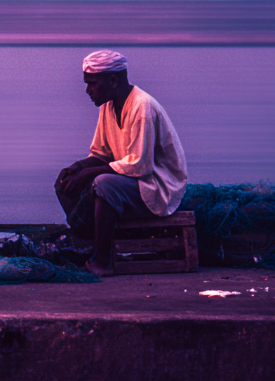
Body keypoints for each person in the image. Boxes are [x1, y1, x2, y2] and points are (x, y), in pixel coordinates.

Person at [55, 50, 188, 276]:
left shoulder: (142, 108)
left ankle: (103, 259)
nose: (88, 91)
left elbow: (139, 166)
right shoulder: (108, 105)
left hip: (156, 186)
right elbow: (101, 153)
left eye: (93, 84)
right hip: (132, 182)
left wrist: (89, 175)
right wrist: (77, 168)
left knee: (103, 183)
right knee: (64, 182)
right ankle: (89, 243)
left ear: (113, 80)